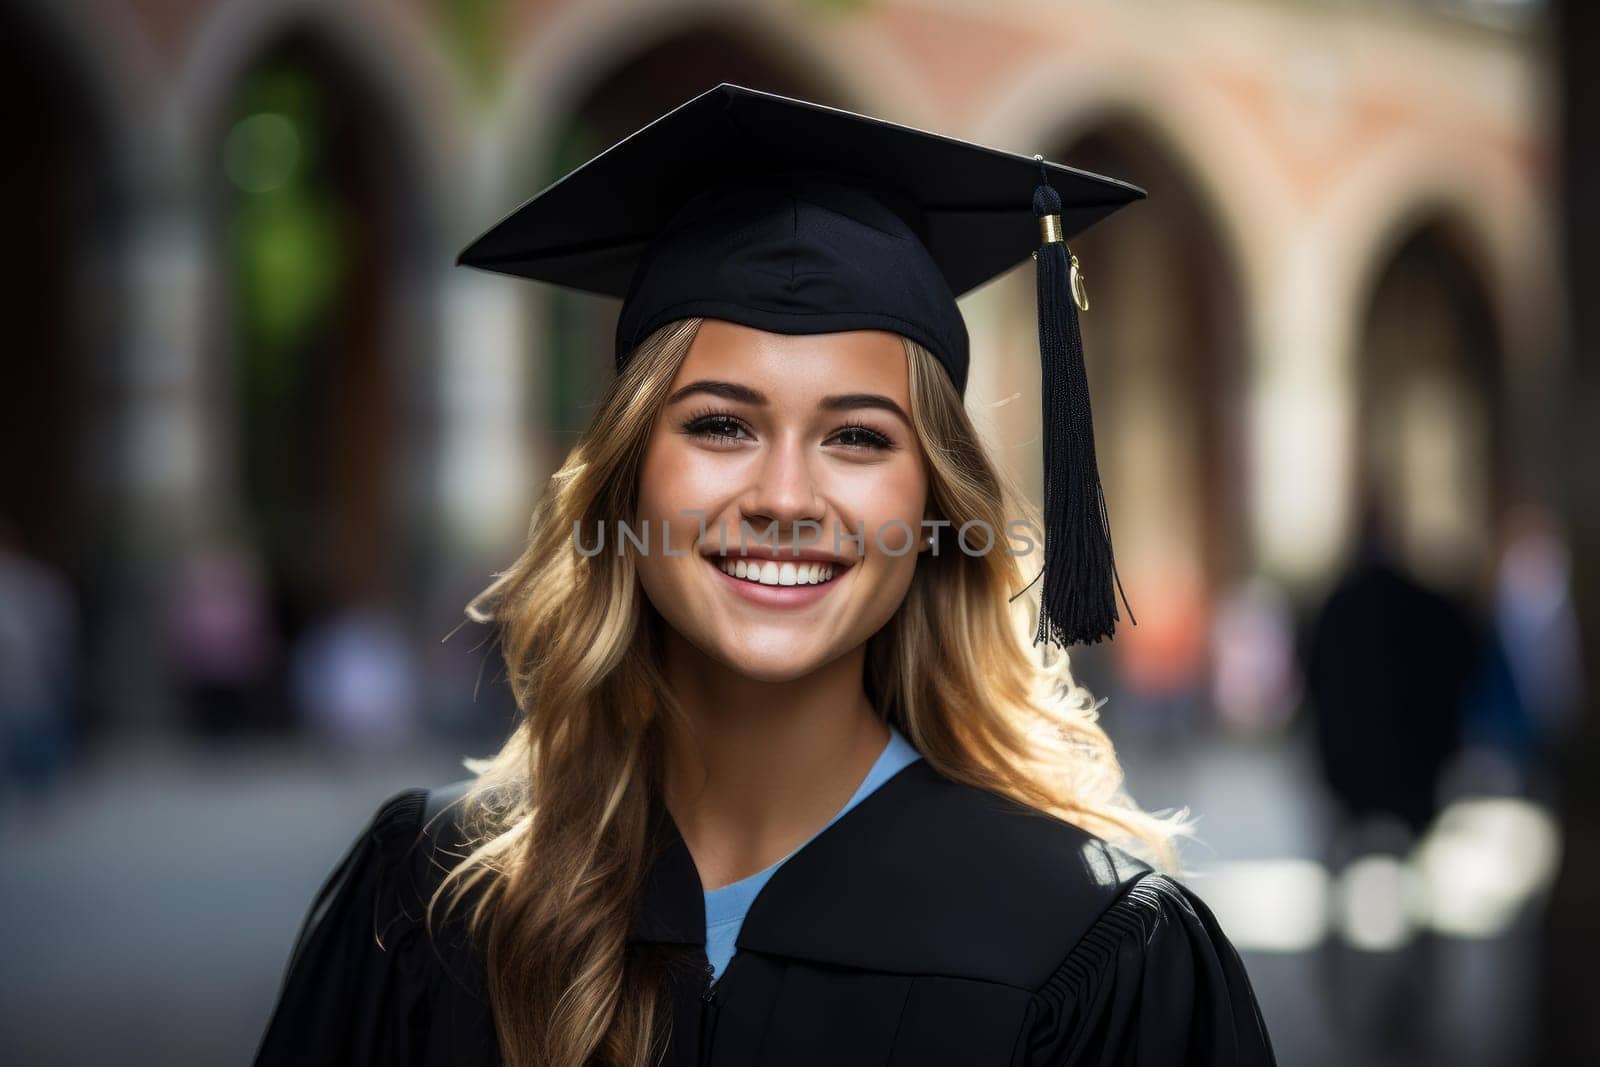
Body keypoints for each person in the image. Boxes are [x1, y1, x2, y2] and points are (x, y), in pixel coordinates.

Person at [253, 83, 1276, 1066]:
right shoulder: (431, 896)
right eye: (720, 424)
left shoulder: (1091, 947)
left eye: (858, 437)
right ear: (625, 482)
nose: (785, 494)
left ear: (932, 509)